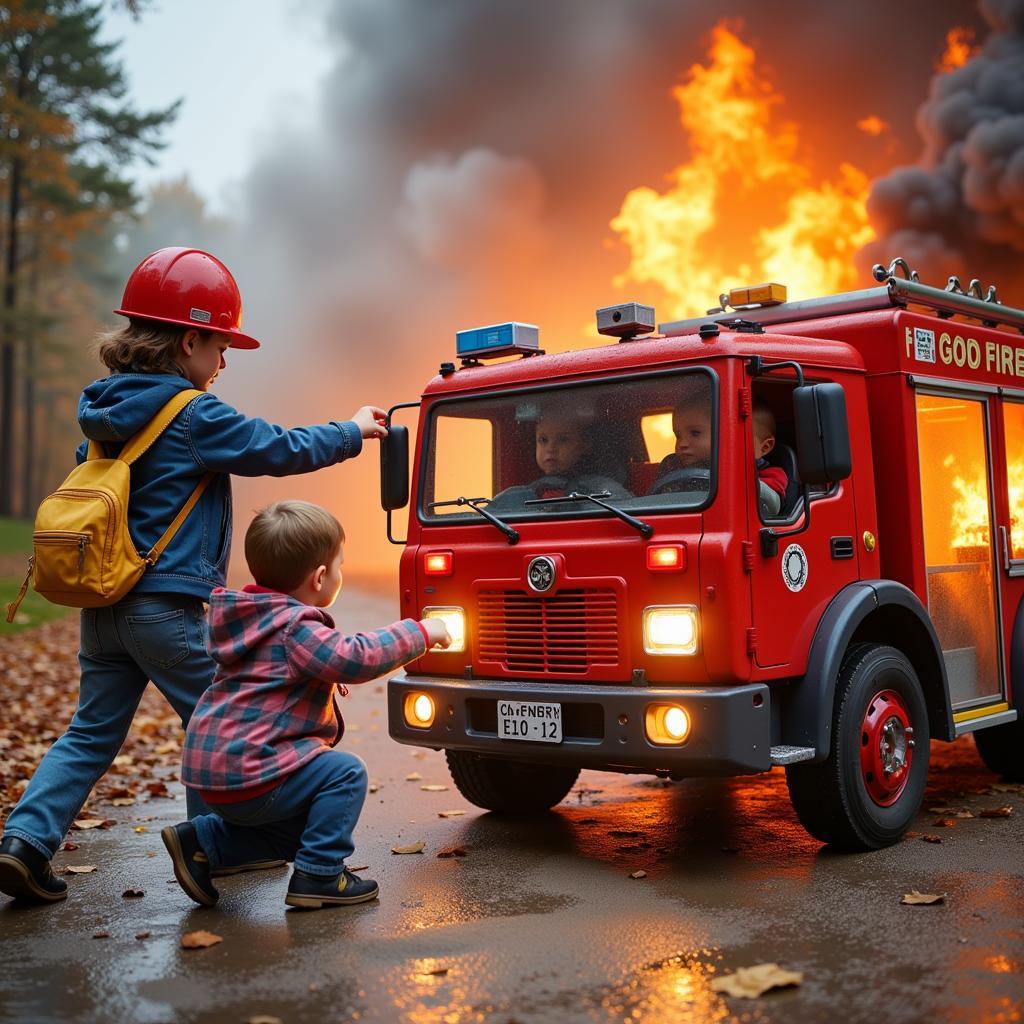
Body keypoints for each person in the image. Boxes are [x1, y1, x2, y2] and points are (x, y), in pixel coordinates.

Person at [0, 247, 389, 906]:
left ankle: (24, 844)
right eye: (220, 344)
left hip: (106, 605)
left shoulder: (102, 410)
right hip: (169, 608)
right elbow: (279, 447)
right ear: (188, 340)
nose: (225, 359)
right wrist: (351, 431)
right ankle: (214, 844)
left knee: (91, 733)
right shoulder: (192, 413)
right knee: (229, 720)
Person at [162, 500, 451, 910]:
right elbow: (355, 657)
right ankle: (319, 875)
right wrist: (421, 631)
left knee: (305, 827)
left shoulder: (249, 618)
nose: (340, 574)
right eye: (339, 566)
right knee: (344, 773)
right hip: (251, 770)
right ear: (319, 577)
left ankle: (204, 844)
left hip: (216, 772)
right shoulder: (294, 627)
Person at [653, 390, 787, 515]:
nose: (682, 444)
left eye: (695, 433)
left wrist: (736, 480)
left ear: (764, 448)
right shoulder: (672, 468)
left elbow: (772, 506)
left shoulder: (770, 474)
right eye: (678, 436)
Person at [488, 410, 631, 511]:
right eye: (543, 440)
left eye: (563, 440)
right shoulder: (514, 496)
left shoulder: (603, 489)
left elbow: (629, 514)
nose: (551, 448)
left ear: (585, 445)